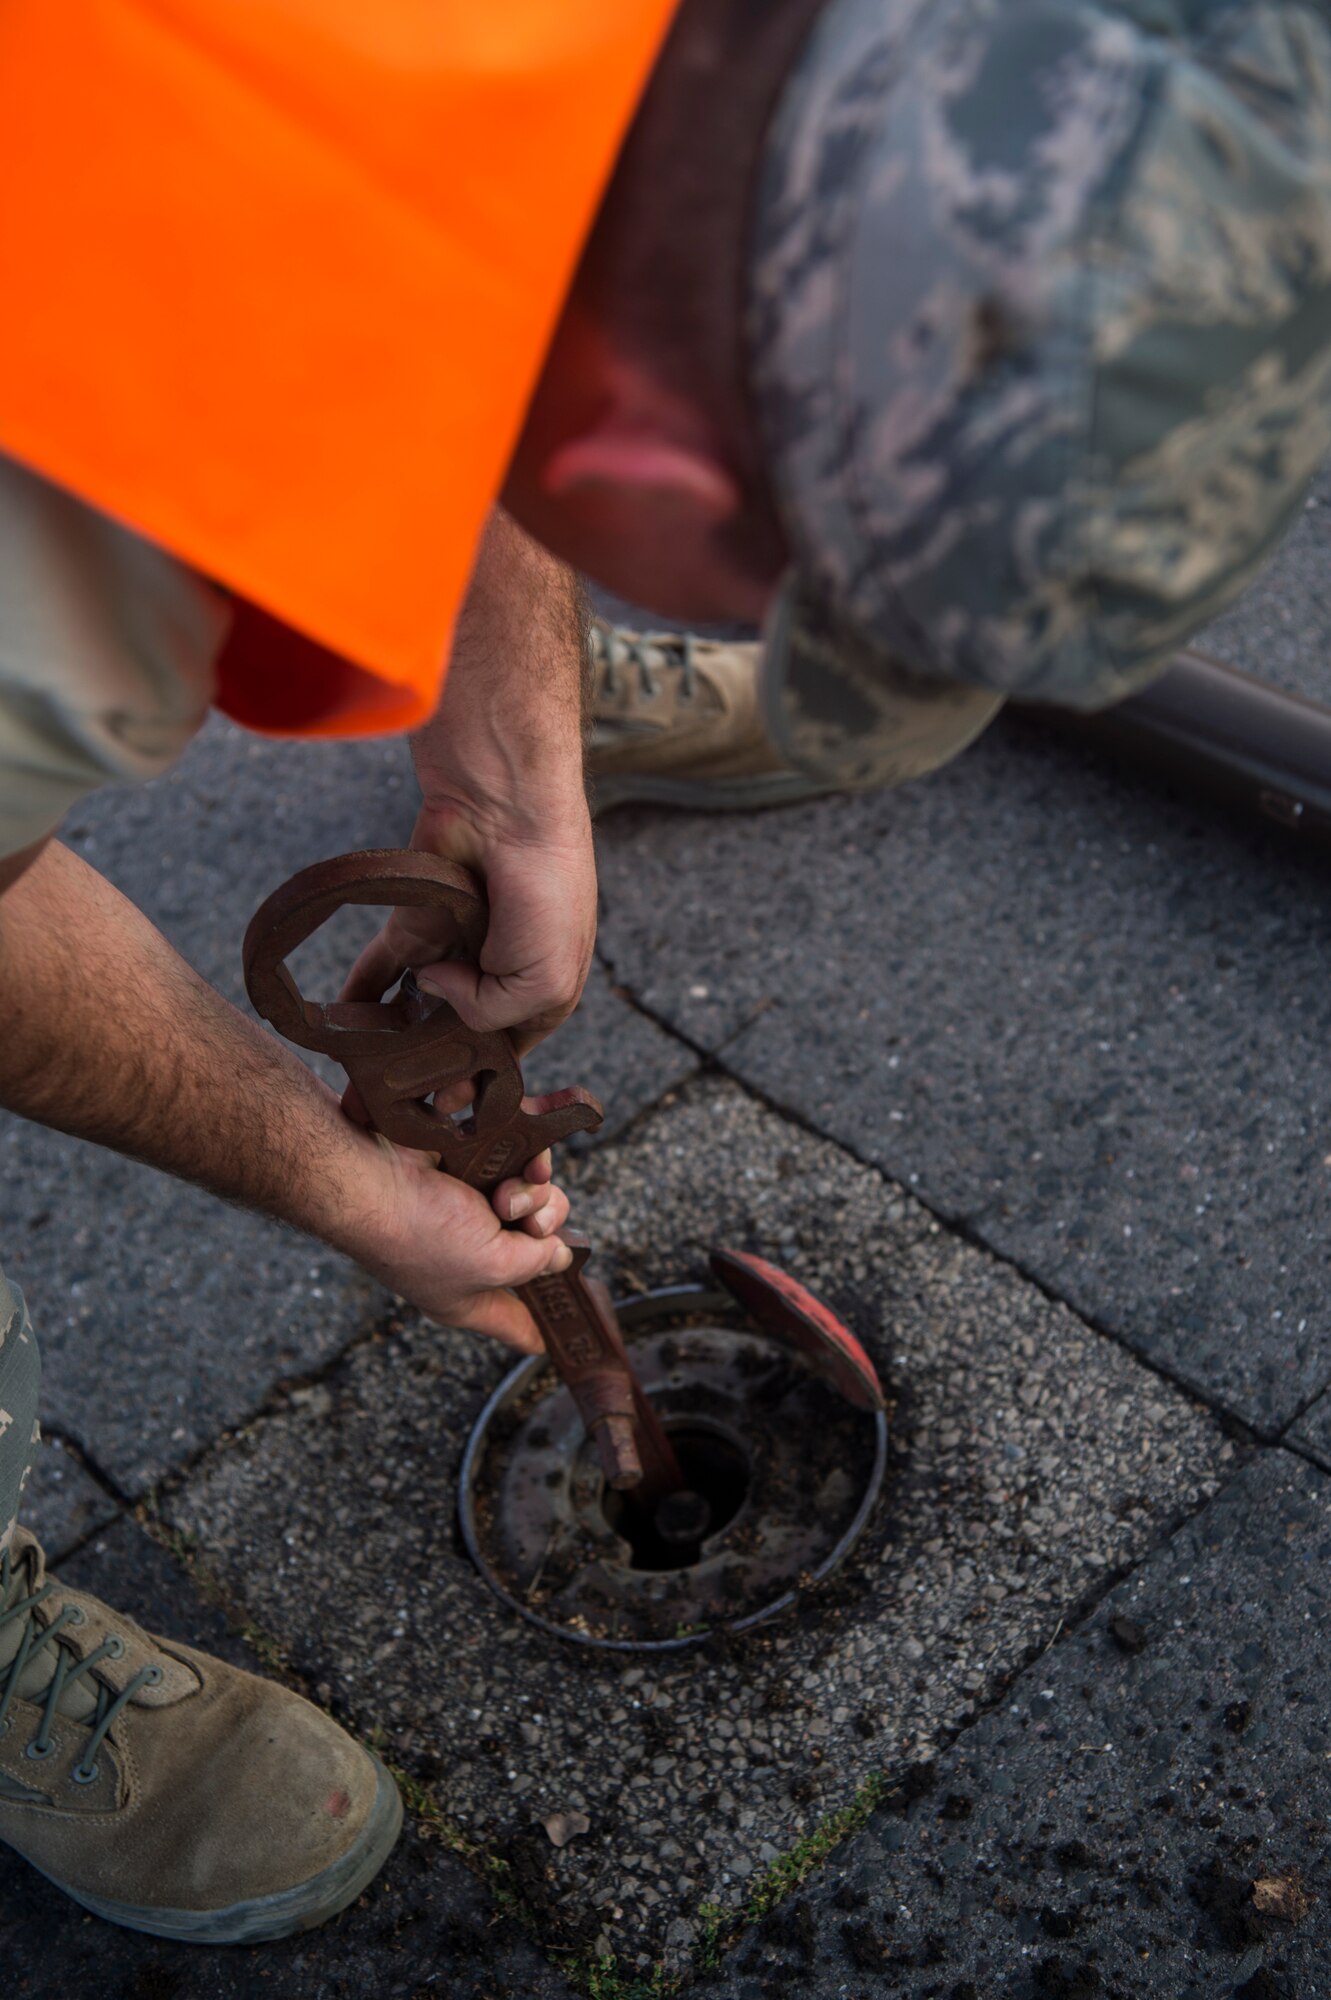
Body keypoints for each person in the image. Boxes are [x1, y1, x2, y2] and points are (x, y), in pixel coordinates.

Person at [2, 0, 1330, 1947]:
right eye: (768, 584)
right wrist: (324, 1170)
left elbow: (499, 234)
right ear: (653, 466)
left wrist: (511, 747)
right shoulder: (63, 584)